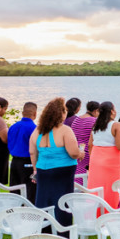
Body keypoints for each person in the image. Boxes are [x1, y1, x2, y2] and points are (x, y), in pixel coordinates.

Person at [30, 97, 83, 228]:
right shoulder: (65, 130)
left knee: (43, 200)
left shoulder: (37, 131)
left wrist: (35, 169)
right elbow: (73, 153)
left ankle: (44, 230)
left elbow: (32, 152)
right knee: (62, 202)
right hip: (62, 172)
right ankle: (63, 231)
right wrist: (81, 153)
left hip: (43, 170)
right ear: (61, 113)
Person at [88, 101, 120, 208]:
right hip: (111, 161)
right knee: (111, 188)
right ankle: (109, 213)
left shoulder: (96, 126)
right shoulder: (117, 125)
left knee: (96, 187)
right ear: (112, 111)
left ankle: (95, 213)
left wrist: (94, 159)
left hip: (96, 159)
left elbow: (90, 144)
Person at [7, 102, 39, 201]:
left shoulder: (13, 127)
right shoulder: (34, 128)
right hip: (27, 162)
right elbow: (36, 148)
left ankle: (14, 212)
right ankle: (28, 214)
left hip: (14, 161)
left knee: (15, 190)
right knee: (30, 192)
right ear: (35, 114)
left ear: (22, 113)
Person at [70, 100, 98, 177]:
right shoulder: (94, 121)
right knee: (86, 175)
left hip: (77, 150)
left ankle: (77, 188)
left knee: (78, 173)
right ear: (96, 111)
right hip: (87, 153)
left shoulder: (76, 119)